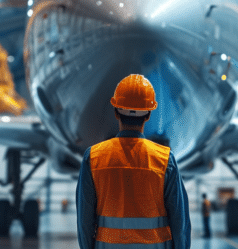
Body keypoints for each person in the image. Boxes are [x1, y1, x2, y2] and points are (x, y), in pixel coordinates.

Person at [77, 74, 190, 249]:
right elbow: (179, 223)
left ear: (116, 112)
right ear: (148, 115)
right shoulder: (165, 160)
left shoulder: (93, 158)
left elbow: (85, 222)